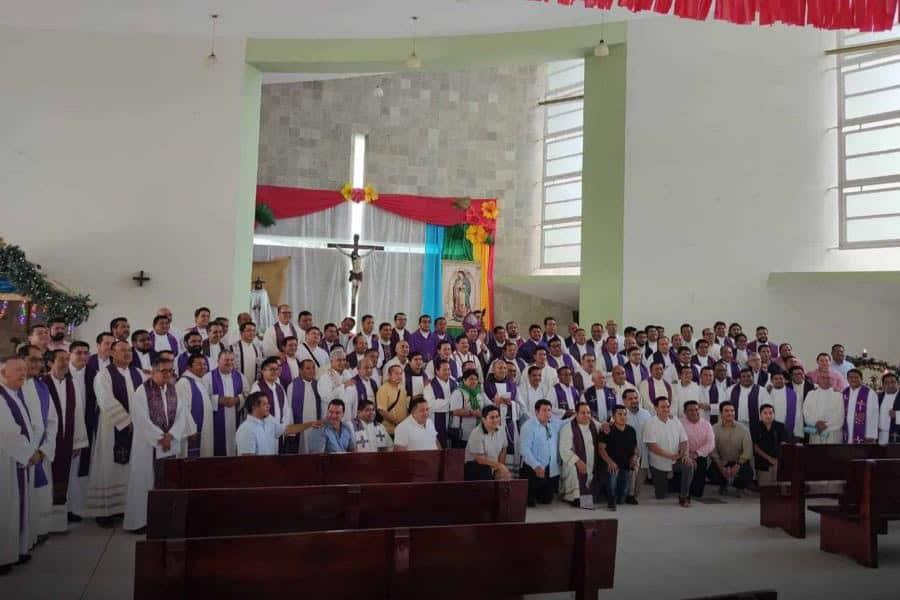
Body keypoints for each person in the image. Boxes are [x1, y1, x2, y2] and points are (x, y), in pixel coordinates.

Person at [123, 357, 189, 533]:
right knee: (144, 482)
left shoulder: (173, 390)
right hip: (147, 446)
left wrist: (172, 435)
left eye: (170, 371)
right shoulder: (142, 392)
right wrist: (161, 438)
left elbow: (182, 415)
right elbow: (140, 419)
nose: (168, 374)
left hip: (169, 444)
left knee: (166, 481)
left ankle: (163, 519)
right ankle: (139, 521)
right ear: (153, 372)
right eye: (164, 371)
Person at [85, 340, 145, 527]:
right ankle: (105, 511)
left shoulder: (139, 373)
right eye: (122, 350)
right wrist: (126, 421)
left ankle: (126, 507)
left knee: (131, 468)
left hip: (136, 429)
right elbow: (105, 399)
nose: (127, 354)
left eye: (129, 350)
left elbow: (145, 398)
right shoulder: (104, 375)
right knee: (108, 465)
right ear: (112, 353)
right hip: (112, 428)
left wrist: (141, 421)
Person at [0, 355, 38, 571]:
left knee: (14, 507)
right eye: (18, 371)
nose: (23, 374)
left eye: (24, 370)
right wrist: (28, 453)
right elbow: (7, 431)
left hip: (15, 459)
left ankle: (16, 550)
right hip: (5, 461)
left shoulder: (13, 393)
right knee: (5, 507)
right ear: (4, 372)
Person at [43, 349, 88, 533]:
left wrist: (78, 441)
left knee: (66, 477)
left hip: (67, 438)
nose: (65, 362)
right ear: (49, 363)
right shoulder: (43, 384)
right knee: (49, 479)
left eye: (67, 359)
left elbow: (78, 412)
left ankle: (64, 514)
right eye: (61, 359)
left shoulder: (73, 384)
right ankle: (46, 521)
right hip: (49, 439)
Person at [19, 345, 55, 542]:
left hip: (38, 453)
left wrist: (43, 450)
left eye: (40, 360)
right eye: (33, 360)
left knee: (36, 496)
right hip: (17, 455)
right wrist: (25, 451)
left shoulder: (42, 386)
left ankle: (33, 536)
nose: (38, 364)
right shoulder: (11, 386)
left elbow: (52, 421)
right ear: (21, 359)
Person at [642, 397, 694, 507]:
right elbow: (652, 446)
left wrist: (684, 454)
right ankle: (669, 484)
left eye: (667, 406)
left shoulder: (675, 421)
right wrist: (670, 456)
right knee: (661, 496)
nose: (666, 409)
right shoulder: (650, 423)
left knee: (689, 465)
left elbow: (684, 440)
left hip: (676, 460)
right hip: (659, 463)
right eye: (662, 407)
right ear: (656, 408)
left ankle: (684, 496)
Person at [235, 392, 322, 456]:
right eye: (264, 404)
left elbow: (288, 429)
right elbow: (247, 460)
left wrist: (310, 424)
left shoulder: (269, 420)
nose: (268, 406)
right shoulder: (246, 429)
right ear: (254, 407)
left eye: (268, 403)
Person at [519, 399, 563, 507]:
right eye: (544, 410)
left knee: (546, 500)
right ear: (536, 412)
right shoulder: (528, 426)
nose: (547, 413)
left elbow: (569, 421)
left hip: (550, 469)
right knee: (529, 503)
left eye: (549, 410)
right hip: (532, 469)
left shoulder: (554, 423)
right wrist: (536, 466)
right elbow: (524, 449)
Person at [203, 350, 247, 457]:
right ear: (218, 361)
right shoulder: (208, 377)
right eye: (226, 360)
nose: (229, 362)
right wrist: (218, 400)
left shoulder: (240, 377)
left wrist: (238, 399)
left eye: (232, 360)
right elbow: (203, 397)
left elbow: (247, 393)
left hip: (235, 419)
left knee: (234, 448)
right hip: (215, 420)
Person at [65, 341, 91, 520]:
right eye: (78, 353)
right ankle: (64, 509)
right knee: (66, 470)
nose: (83, 356)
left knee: (78, 470)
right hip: (67, 430)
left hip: (85, 427)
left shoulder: (91, 374)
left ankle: (75, 506)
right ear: (70, 355)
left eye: (86, 353)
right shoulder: (64, 374)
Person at [559, 402, 601, 508]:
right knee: (574, 469)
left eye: (588, 413)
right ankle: (575, 497)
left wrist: (605, 425)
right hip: (574, 462)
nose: (586, 415)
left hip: (592, 462)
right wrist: (577, 461)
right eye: (583, 413)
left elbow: (603, 427)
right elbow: (564, 449)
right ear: (576, 414)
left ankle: (588, 496)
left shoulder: (594, 424)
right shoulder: (568, 428)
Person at [483, 360, 524, 466]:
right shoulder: (486, 385)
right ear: (493, 370)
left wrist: (512, 404)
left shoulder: (512, 385)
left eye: (505, 368)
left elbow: (521, 406)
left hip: (509, 423)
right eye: (500, 368)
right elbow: (483, 405)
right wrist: (495, 403)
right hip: (492, 424)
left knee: (510, 450)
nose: (503, 370)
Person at [709, 402, 754, 497]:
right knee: (711, 472)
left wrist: (738, 465)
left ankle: (739, 487)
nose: (730, 413)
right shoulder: (714, 429)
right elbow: (712, 449)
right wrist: (719, 465)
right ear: (721, 413)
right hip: (722, 461)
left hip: (739, 462)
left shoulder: (743, 429)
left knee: (748, 473)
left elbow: (748, 450)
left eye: (732, 411)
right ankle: (723, 485)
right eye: (726, 411)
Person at [598, 404, 639, 510]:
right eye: (619, 414)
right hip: (612, 465)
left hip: (626, 464)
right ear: (613, 416)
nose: (623, 417)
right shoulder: (607, 430)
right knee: (612, 484)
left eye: (625, 414)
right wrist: (610, 462)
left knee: (622, 499)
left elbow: (635, 448)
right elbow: (601, 449)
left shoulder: (631, 430)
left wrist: (634, 456)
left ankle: (624, 496)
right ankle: (611, 500)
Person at [176, 354, 214, 458]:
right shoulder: (184, 383)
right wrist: (190, 430)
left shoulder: (199, 381)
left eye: (205, 364)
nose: (203, 367)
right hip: (192, 433)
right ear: (189, 367)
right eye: (198, 364)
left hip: (204, 429)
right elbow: (183, 410)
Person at [463, 405, 511, 481]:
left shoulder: (501, 430)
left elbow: (503, 450)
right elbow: (480, 459)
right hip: (476, 467)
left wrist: (500, 469)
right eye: (492, 417)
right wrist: (499, 466)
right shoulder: (476, 433)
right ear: (484, 419)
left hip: (493, 466)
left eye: (497, 416)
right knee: (485, 471)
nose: (495, 420)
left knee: (506, 476)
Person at [679, 401, 715, 498]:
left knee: (698, 493)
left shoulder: (706, 424)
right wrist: (686, 454)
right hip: (683, 455)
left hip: (699, 456)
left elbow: (711, 444)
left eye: (696, 409)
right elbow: (675, 441)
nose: (694, 412)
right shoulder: (679, 423)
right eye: (690, 410)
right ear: (684, 412)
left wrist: (696, 453)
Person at [803, 370, 845, 444]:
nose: (826, 380)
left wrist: (826, 425)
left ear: (832, 381)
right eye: (823, 378)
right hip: (815, 430)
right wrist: (816, 423)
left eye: (828, 378)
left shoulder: (838, 396)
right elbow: (806, 412)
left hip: (833, 433)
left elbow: (840, 415)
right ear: (818, 380)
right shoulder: (811, 394)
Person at [448, 369, 488, 448]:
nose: (474, 381)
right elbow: (454, 411)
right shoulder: (458, 392)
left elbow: (489, 406)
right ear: (464, 380)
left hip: (477, 432)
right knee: (461, 458)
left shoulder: (480, 393)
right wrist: (473, 413)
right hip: (462, 433)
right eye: (471, 379)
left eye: (476, 379)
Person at [750, 404, 787, 487]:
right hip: (762, 460)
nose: (768, 416)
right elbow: (755, 447)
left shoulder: (780, 426)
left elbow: (784, 444)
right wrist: (769, 458)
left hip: (778, 460)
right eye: (765, 413)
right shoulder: (755, 427)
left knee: (779, 486)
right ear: (761, 415)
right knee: (765, 488)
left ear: (774, 414)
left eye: (770, 413)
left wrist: (778, 459)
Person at [423, 360, 457, 447]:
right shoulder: (430, 386)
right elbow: (430, 405)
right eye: (444, 370)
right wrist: (452, 403)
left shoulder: (455, 384)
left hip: (453, 422)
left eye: (449, 369)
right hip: (436, 422)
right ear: (437, 371)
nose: (448, 372)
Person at [842, 368, 879, 444]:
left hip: (864, 433)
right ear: (847, 379)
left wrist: (870, 435)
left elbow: (874, 416)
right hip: (847, 431)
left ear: (861, 379)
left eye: (856, 377)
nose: (853, 379)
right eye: (850, 377)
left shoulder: (870, 393)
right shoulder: (844, 392)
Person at [250, 356, 288, 427]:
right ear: (263, 371)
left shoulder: (280, 388)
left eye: (276, 369)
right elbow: (253, 412)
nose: (274, 372)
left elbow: (285, 410)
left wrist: (283, 426)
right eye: (271, 369)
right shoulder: (257, 388)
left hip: (278, 430)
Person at [766, 371, 803, 440]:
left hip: (789, 430)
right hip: (771, 429)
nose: (778, 380)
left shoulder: (794, 394)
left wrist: (798, 432)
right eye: (776, 379)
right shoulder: (767, 394)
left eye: (781, 378)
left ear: (785, 380)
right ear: (771, 381)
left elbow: (799, 414)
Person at [376, 364, 409, 436]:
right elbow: (382, 411)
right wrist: (397, 422)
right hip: (389, 430)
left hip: (402, 429)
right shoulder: (383, 389)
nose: (399, 376)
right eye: (396, 373)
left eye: (400, 374)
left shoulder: (402, 387)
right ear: (389, 375)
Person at [341, 358, 378, 424]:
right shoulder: (352, 384)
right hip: (357, 421)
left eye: (371, 368)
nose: (369, 370)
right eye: (366, 368)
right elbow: (348, 407)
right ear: (358, 369)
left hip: (371, 418)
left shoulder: (373, 383)